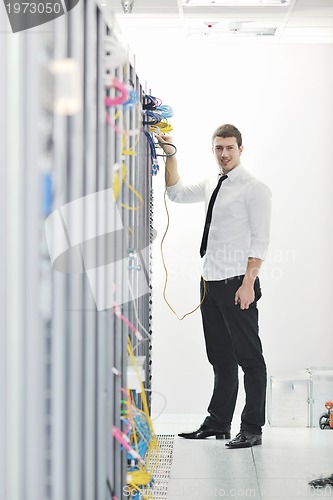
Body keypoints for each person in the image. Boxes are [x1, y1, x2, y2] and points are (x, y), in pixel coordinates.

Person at [157, 124, 272, 449]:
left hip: (238, 283)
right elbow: (176, 193)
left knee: (250, 359)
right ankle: (219, 423)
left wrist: (249, 282)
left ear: (240, 149)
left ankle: (251, 428)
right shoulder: (212, 182)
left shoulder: (254, 188)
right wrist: (170, 154)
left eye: (229, 148)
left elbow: (261, 240)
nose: (224, 154)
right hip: (210, 283)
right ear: (213, 149)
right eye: (219, 148)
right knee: (220, 358)